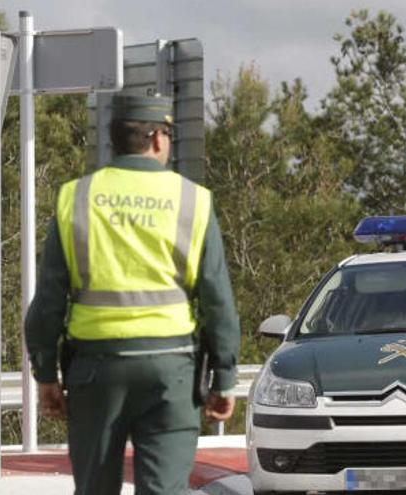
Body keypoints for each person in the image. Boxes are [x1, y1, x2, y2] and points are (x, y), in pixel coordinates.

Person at [24, 95, 241, 494]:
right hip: (171, 371)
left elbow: (48, 300)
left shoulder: (77, 197)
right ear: (157, 138)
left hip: (95, 371)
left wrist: (45, 374)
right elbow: (216, 299)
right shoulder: (193, 199)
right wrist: (224, 378)